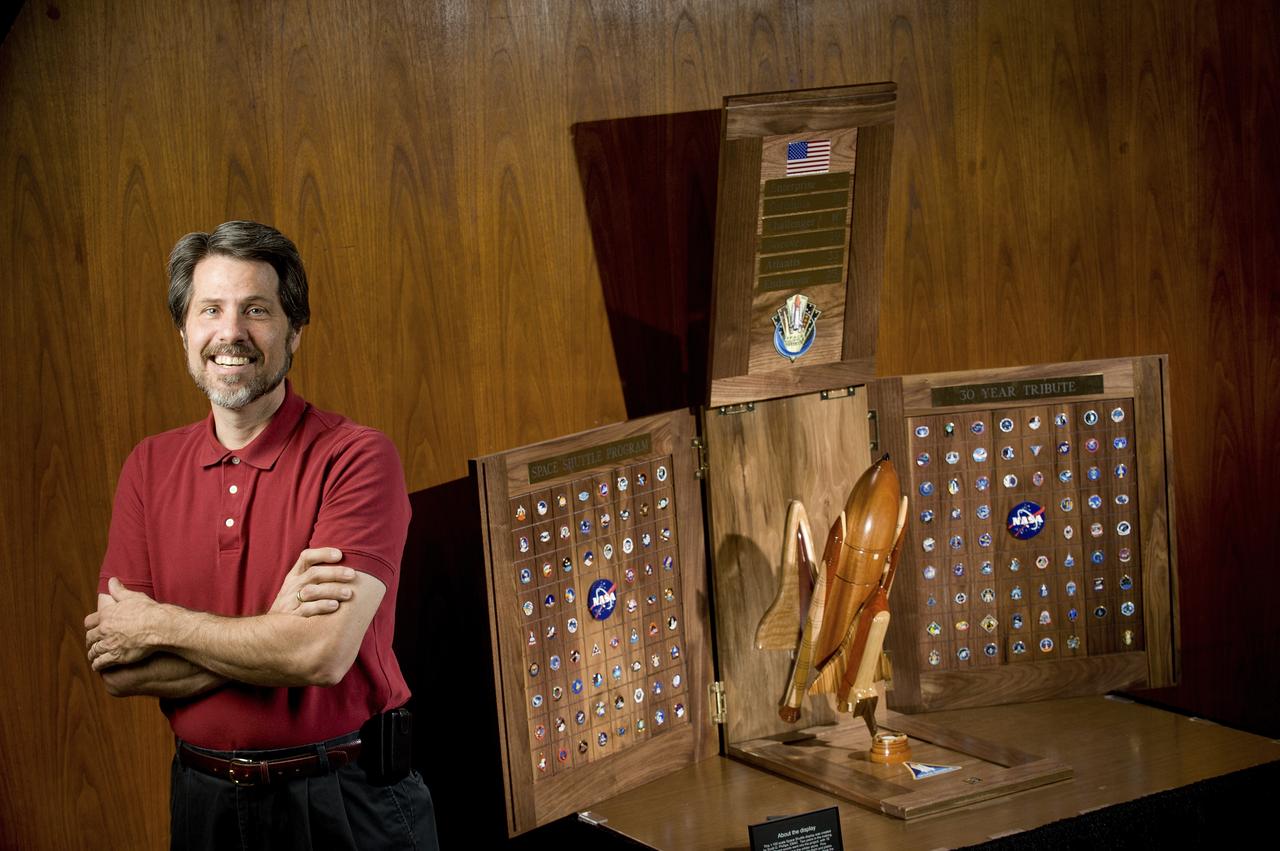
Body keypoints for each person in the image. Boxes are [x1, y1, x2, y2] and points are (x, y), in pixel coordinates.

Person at [83, 220, 438, 850]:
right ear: (183, 332)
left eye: (256, 310)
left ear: (294, 329)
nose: (231, 333)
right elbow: (121, 668)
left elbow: (319, 655)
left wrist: (160, 625)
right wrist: (274, 629)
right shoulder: (148, 466)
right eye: (210, 310)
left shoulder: (356, 458)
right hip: (202, 801)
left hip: (346, 798)